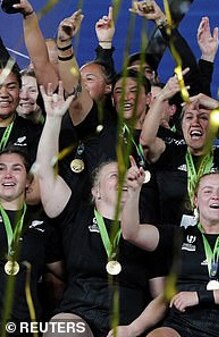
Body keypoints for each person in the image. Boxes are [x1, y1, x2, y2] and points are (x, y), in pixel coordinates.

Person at [35, 84, 165, 337]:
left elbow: (161, 296)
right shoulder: (76, 215)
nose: (123, 179)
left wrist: (134, 329)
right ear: (95, 191)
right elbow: (46, 173)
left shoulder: (146, 229)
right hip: (78, 314)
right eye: (114, 176)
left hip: (129, 322)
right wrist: (52, 119)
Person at [121, 168, 219, 337]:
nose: (215, 196)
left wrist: (199, 296)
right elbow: (131, 233)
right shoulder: (177, 236)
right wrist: (133, 192)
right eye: (207, 191)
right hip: (180, 324)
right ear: (195, 200)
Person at [140, 73, 219, 226]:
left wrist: (218, 108)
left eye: (203, 118)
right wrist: (162, 97)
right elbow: (146, 142)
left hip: (215, 237)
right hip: (172, 237)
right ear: (181, 126)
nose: (195, 122)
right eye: (189, 117)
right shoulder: (170, 151)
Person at [0, 148, 62, 326]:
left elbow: (64, 274)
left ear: (28, 180)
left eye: (16, 168)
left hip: (27, 325)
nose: (8, 175)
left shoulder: (44, 227)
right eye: (1, 169)